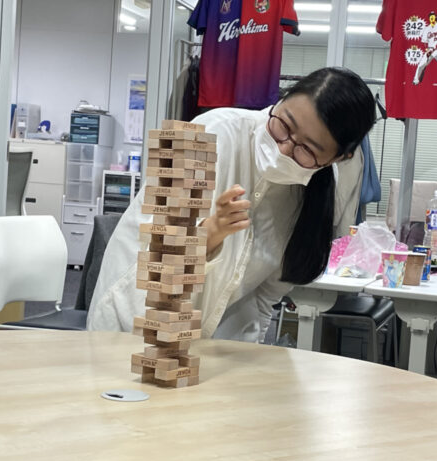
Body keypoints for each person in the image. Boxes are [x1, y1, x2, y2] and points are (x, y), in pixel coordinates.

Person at [88, 67, 376, 342]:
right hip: (131, 321)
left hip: (207, 345)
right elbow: (156, 247)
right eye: (284, 125)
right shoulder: (207, 130)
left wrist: (246, 356)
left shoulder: (316, 197)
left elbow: (263, 298)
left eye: (307, 149)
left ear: (338, 158)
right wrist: (210, 233)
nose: (283, 148)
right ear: (282, 99)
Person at [413, 12, 437, 86]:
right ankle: (416, 79)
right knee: (421, 64)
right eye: (430, 17)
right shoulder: (427, 29)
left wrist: (433, 48)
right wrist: (426, 50)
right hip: (430, 49)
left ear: (436, 18)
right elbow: (424, 41)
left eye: (433, 17)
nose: (432, 18)